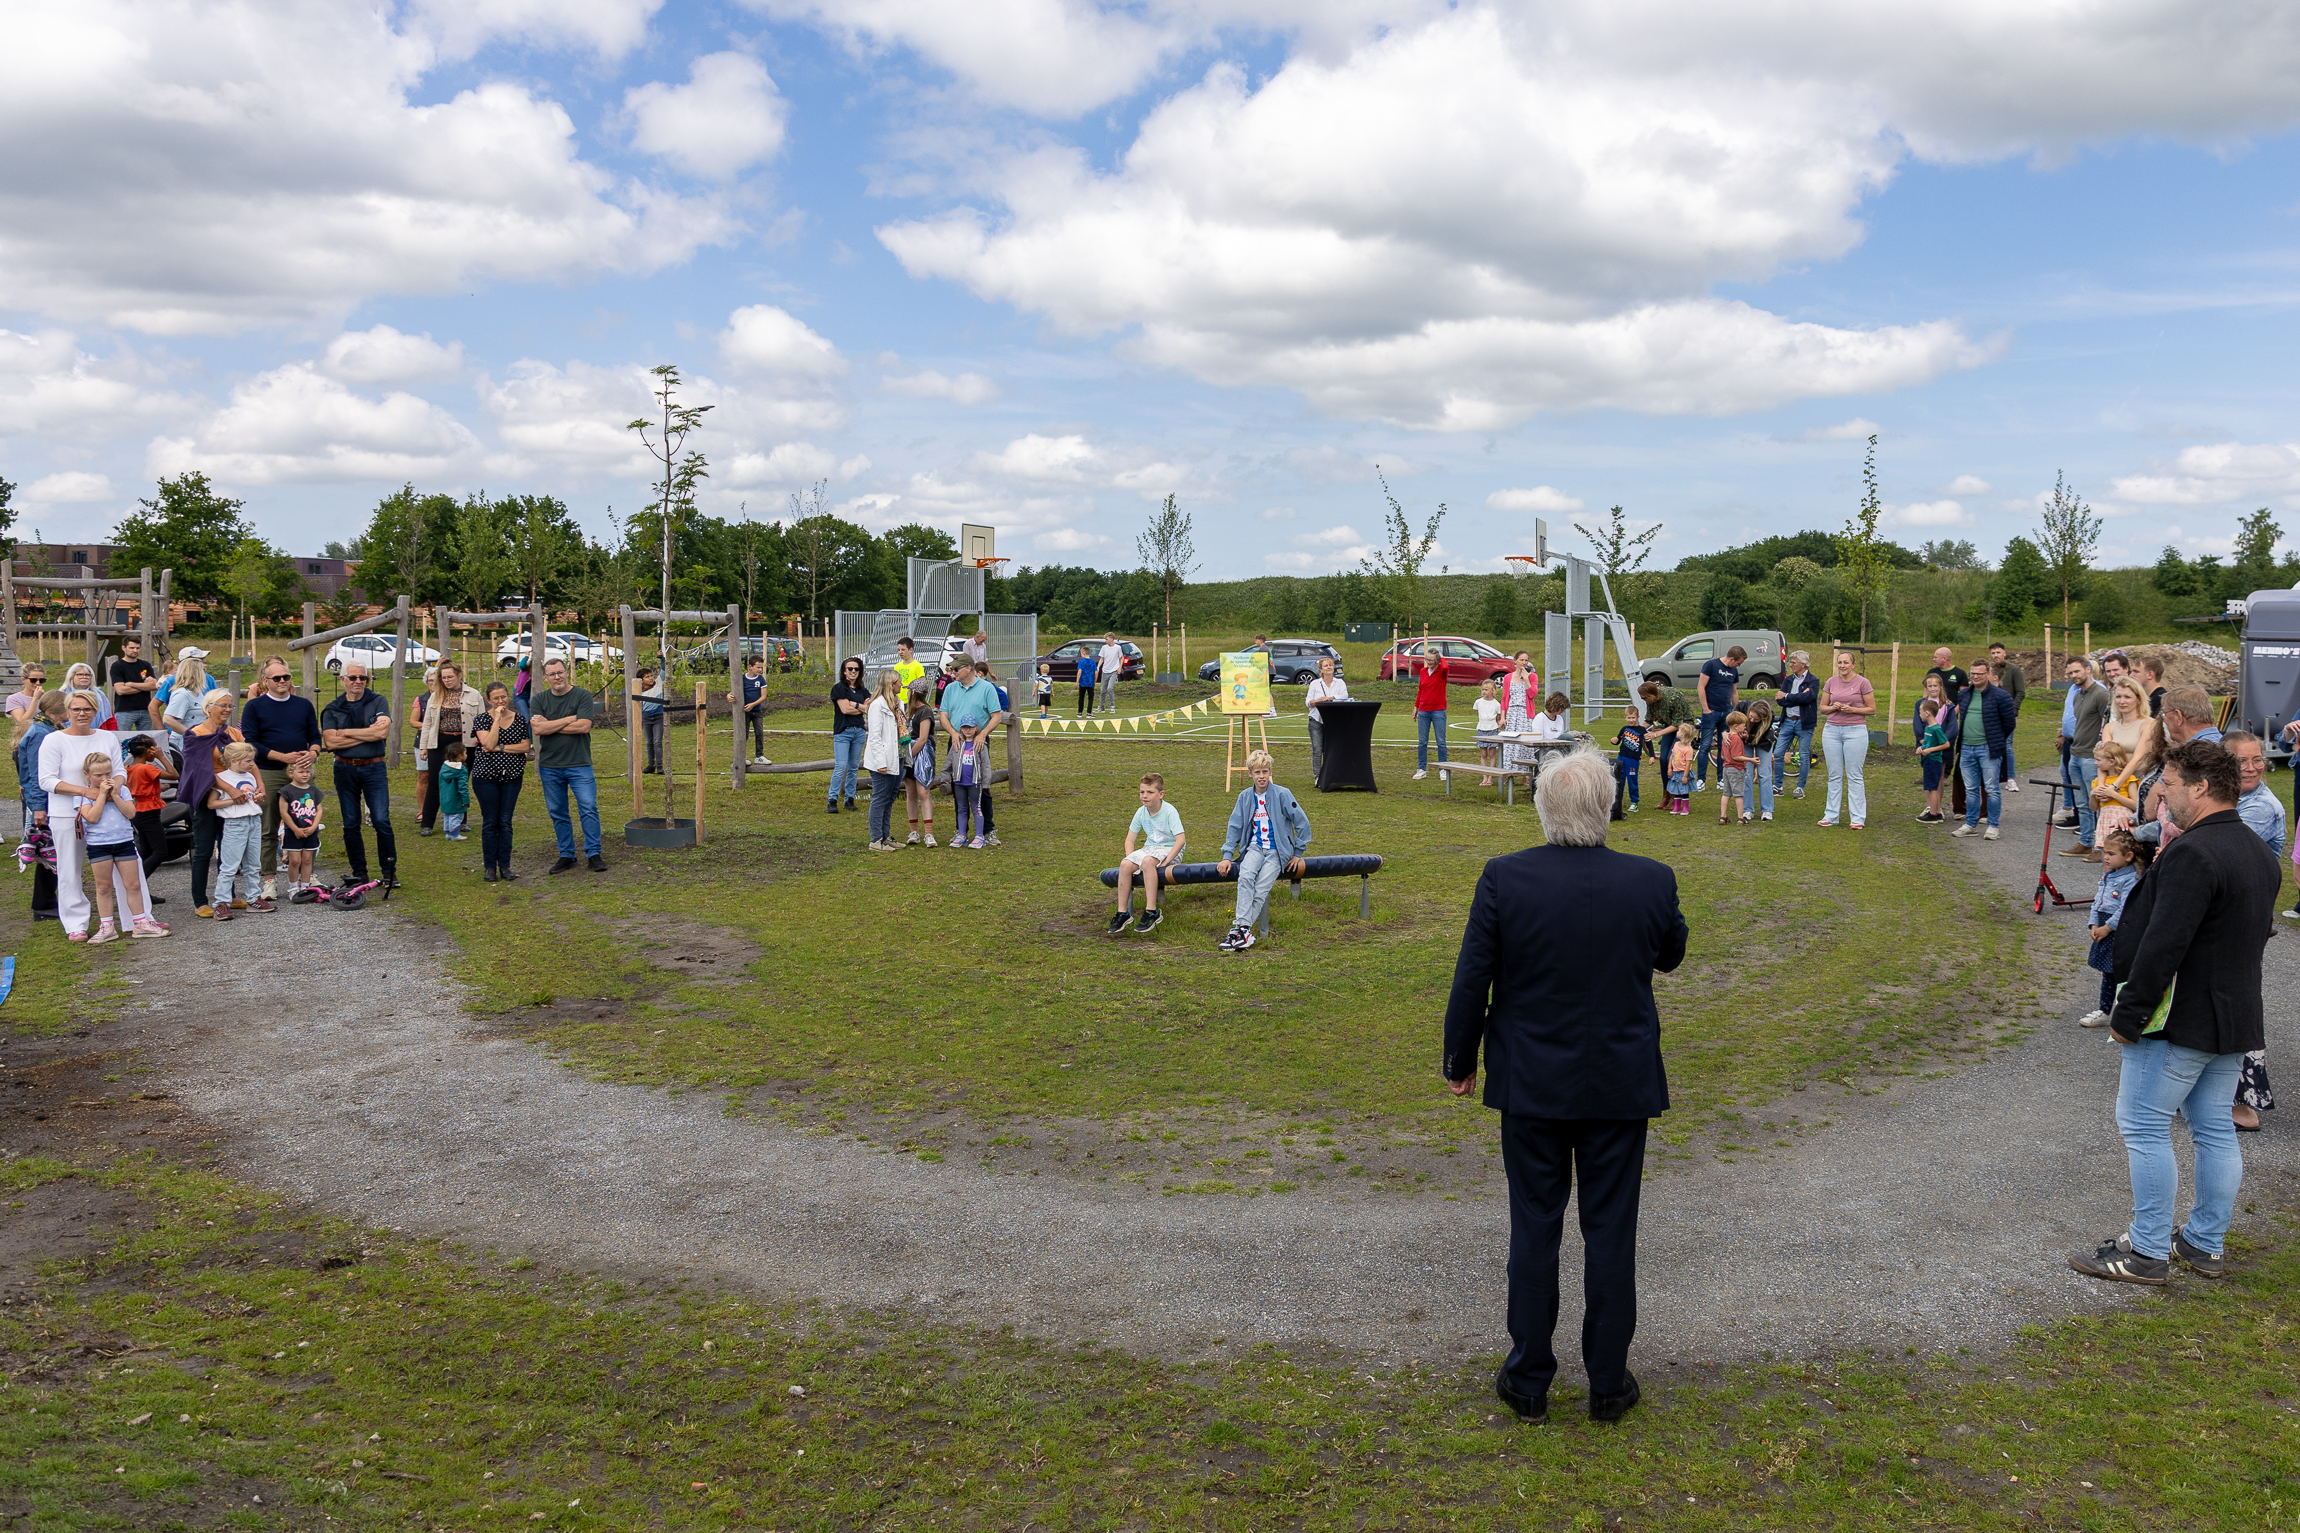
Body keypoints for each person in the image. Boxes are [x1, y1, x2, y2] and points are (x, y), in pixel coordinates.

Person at [1441, 748, 1687, 1424]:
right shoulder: (1650, 880)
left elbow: (1472, 977)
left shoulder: (1506, 878)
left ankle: (1529, 1377)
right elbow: (1671, 950)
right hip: (1616, 1083)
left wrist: (1459, 1058)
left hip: (1533, 1083)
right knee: (1610, 1231)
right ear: (1605, 806)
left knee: (1535, 1228)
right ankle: (1607, 1379)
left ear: (1548, 808)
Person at [2072, 739, 2274, 1286]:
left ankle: (2148, 1250)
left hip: (2179, 1019)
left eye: (2171, 785)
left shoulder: (2192, 852)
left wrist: (2127, 1014)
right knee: (2213, 1129)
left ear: (2201, 787)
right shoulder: (2256, 850)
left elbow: (2164, 945)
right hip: (2234, 1019)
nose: (2163, 796)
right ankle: (2204, 1243)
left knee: (2142, 1125)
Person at [40, 691, 156, 936]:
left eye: (87, 709)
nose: (82, 714)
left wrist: (112, 790)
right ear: (67, 711)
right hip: (66, 813)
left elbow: (119, 771)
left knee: (128, 863)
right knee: (70, 868)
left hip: (110, 811)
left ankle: (138, 918)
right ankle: (76, 924)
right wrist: (86, 792)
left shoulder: (106, 737)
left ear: (95, 711)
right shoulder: (54, 740)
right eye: (76, 709)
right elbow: (47, 780)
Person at [2223, 731, 2280, 1132]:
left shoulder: (2260, 807)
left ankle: (2244, 1101)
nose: (2252, 766)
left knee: (2238, 1002)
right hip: (2222, 915)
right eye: (2241, 760)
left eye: (2257, 758)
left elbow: (2221, 851)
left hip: (2242, 920)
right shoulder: (2230, 798)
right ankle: (2213, 1090)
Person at [1213, 750, 1311, 952]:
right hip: (1255, 848)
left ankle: (1240, 930)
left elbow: (1302, 823)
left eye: (1265, 771)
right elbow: (1235, 827)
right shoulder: (1245, 797)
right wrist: (1227, 856)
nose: (1262, 776)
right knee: (1246, 877)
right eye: (1257, 772)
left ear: (1271, 772)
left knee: (1261, 888)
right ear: (1250, 773)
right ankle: (1243, 930)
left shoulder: (1283, 794)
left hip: (1277, 852)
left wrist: (1297, 853)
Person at [240, 655, 320, 900]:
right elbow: (251, 741)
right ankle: (269, 878)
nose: (283, 681)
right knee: (269, 826)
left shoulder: (303, 704)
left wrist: (313, 753)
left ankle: (307, 874)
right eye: (277, 678)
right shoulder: (254, 706)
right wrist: (282, 757)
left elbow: (314, 735)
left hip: (300, 771)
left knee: (307, 821)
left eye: (286, 677)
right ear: (266, 681)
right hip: (269, 769)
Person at [320, 663, 397, 891]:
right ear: (342, 679)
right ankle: (359, 873)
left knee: (381, 820)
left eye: (363, 677)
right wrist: (367, 734)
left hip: (374, 769)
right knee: (351, 822)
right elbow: (330, 742)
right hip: (344, 769)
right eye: (352, 677)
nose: (358, 681)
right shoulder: (332, 708)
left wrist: (345, 732)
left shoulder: (378, 701)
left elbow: (382, 732)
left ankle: (389, 872)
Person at [75, 753, 165, 941]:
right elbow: (92, 817)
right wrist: (100, 795)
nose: (105, 779)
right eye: (98, 775)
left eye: (108, 773)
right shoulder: (83, 795)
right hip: (99, 845)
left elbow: (131, 813)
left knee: (133, 884)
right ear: (87, 775)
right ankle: (107, 926)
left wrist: (115, 795)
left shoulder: (122, 790)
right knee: (103, 887)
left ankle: (140, 923)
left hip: (124, 842)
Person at [530, 657, 605, 873]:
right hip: (550, 765)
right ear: (546, 678)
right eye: (552, 674)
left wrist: (550, 725)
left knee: (588, 807)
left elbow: (583, 727)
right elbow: (538, 730)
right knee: (558, 811)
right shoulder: (539, 699)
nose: (557, 677)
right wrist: (569, 719)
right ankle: (567, 854)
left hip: (579, 763)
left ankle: (593, 853)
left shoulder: (582, 695)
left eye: (560, 672)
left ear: (566, 672)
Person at [178, 688, 243, 919]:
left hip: (231, 799)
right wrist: (230, 789)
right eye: (222, 705)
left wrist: (254, 787)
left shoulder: (234, 733)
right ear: (208, 708)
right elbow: (201, 770)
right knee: (204, 850)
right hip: (205, 797)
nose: (227, 709)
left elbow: (246, 762)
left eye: (230, 706)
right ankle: (200, 900)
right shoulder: (194, 734)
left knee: (229, 848)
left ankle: (228, 895)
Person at [2078, 828, 2142, 1027]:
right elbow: (2098, 900)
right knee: (2108, 973)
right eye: (2105, 852)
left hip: (2118, 930)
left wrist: (2107, 927)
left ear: (2129, 856)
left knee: (2122, 972)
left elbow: (2125, 908)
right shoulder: (2108, 875)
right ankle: (2105, 1010)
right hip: (2104, 925)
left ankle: (2126, 1013)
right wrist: (2094, 923)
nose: (2106, 857)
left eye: (2111, 854)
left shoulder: (2130, 879)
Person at [1109, 773, 1183, 936]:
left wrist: (1167, 861)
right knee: (1125, 864)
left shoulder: (1169, 811)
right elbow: (1129, 840)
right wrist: (1131, 860)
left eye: (1150, 792)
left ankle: (1151, 911)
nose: (1145, 796)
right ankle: (1123, 913)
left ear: (1160, 794)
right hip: (1151, 849)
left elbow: (1180, 840)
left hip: (1169, 850)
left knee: (1149, 862)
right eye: (1142, 792)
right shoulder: (1141, 812)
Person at [939, 656, 1001, 849]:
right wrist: (953, 733)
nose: (952, 673)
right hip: (957, 741)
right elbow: (943, 715)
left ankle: (987, 830)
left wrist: (982, 735)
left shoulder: (986, 688)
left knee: (982, 785)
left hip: (978, 742)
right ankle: (961, 830)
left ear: (968, 668)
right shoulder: (950, 689)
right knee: (958, 784)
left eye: (956, 669)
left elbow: (996, 716)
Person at [1952, 659, 2017, 841]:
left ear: (1988, 673)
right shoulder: (1964, 695)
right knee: (1971, 788)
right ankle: (1971, 824)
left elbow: (2009, 723)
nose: (1975, 677)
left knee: (1991, 788)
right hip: (1966, 748)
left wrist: (1995, 740)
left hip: (1988, 749)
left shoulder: (2001, 696)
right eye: (1972, 673)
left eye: (1979, 673)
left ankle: (1992, 826)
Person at [472, 680, 530, 882]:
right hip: (485, 777)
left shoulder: (520, 719)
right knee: (490, 822)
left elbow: (525, 747)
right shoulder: (481, 720)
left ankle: (505, 865)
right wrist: (496, 719)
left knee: (505, 821)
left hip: (512, 777)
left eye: (503, 696)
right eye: (495, 698)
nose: (500, 701)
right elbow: (486, 742)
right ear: (488, 700)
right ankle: (490, 867)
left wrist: (500, 748)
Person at [417, 661, 482, 836]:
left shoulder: (474, 695)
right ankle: (427, 823)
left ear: (460, 676)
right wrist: (424, 747)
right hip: (439, 742)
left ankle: (460, 821)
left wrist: (482, 745)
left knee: (460, 780)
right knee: (435, 782)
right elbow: (428, 723)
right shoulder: (435, 696)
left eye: (450, 677)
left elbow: (482, 722)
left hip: (463, 742)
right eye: (443, 678)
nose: (447, 680)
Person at [13, 691, 62, 921]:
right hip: (42, 801)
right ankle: (43, 904)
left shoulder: (46, 728)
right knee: (47, 851)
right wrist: (38, 808)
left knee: (51, 851)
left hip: (44, 799)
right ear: (59, 708)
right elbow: (35, 773)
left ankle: (47, 901)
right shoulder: (40, 733)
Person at [208, 740, 270, 919]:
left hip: (254, 821)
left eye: (252, 760)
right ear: (233, 761)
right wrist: (232, 800)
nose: (252, 764)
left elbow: (252, 796)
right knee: (229, 866)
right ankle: (221, 902)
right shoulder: (223, 779)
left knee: (253, 865)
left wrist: (256, 798)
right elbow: (212, 803)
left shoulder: (249, 776)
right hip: (235, 824)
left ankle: (253, 898)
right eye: (248, 761)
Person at [2055, 657, 2110, 853]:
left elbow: (2110, 724)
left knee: (2097, 802)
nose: (2073, 676)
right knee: (2082, 803)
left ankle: (2100, 846)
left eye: (2077, 671)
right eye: (2070, 673)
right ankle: (2086, 842)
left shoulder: (2101, 694)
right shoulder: (2078, 695)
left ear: (2088, 670)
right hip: (2075, 753)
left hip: (2090, 756)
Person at [1819, 650, 1875, 828]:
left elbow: (1871, 709)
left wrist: (1853, 710)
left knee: (1854, 776)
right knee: (1834, 775)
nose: (1842, 665)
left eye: (1845, 662)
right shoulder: (1831, 682)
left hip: (1855, 731)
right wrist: (1832, 707)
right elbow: (1822, 708)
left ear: (1853, 664)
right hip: (1832, 731)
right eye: (1840, 662)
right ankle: (1831, 816)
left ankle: (1857, 818)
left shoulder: (1863, 683)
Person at [123, 733, 175, 888]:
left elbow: (141, 787)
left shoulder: (129, 768)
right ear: (148, 751)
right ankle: (136, 885)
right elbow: (174, 774)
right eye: (154, 748)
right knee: (160, 852)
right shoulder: (147, 768)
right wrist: (162, 757)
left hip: (138, 810)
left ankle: (142, 892)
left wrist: (159, 787)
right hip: (149, 813)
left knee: (145, 853)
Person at [864, 670, 908, 851]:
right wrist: (881, 762)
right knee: (880, 798)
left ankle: (885, 835)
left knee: (889, 798)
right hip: (882, 760)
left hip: (897, 756)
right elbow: (874, 737)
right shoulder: (877, 706)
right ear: (891, 684)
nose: (901, 684)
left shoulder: (898, 704)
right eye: (899, 682)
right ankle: (876, 839)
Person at [823, 656, 868, 813]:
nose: (853, 671)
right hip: (843, 731)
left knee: (854, 766)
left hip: (859, 731)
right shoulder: (839, 688)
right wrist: (860, 707)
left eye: (856, 669)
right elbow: (844, 709)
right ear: (844, 671)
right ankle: (832, 799)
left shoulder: (863, 690)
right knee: (841, 765)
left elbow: (868, 708)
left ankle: (850, 798)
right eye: (850, 669)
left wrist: (854, 704)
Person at [1694, 644, 1743, 791]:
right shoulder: (1711, 665)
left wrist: (1737, 711)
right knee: (1705, 746)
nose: (1739, 665)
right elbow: (1700, 686)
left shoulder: (1734, 670)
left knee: (1725, 746)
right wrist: (1706, 709)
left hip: (1726, 713)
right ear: (1732, 658)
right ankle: (1701, 780)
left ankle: (1721, 779)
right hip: (1711, 712)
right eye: (1738, 662)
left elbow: (1733, 692)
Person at [1771, 651, 1817, 800]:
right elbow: (1780, 700)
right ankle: (1778, 786)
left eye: (1793, 663)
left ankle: (1800, 787)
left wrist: (1788, 696)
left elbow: (1809, 697)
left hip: (1804, 723)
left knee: (1804, 756)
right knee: (1778, 754)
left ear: (1802, 664)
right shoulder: (1788, 680)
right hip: (1788, 721)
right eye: (1790, 662)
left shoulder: (1813, 681)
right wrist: (1796, 697)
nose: (1790, 665)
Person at [277, 756, 326, 891]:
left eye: (307, 771)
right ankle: (293, 887)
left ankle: (305, 886)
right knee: (294, 860)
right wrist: (294, 829)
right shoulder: (286, 791)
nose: (305, 774)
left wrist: (314, 826)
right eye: (301, 771)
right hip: (293, 831)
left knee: (307, 860)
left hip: (310, 830)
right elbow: (284, 812)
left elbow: (319, 810)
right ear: (291, 773)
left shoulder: (314, 791)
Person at [1985, 642, 2026, 790]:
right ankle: (1993, 776)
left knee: (2007, 745)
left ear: (2005, 653)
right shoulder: (1988, 670)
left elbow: (2020, 692)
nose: (1995, 655)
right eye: (1993, 653)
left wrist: (2012, 711)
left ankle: (2010, 778)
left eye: (1998, 652)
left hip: (2007, 713)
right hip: (1990, 714)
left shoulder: (2014, 670)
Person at [903, 680, 939, 846]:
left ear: (914, 692)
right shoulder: (908, 711)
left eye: (909, 690)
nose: (907, 692)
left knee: (923, 792)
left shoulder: (925, 711)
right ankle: (914, 831)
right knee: (910, 792)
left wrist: (910, 754)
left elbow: (923, 738)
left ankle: (929, 833)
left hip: (921, 754)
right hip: (909, 752)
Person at [1306, 656, 1350, 784]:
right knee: (1317, 750)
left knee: (1330, 750)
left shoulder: (1340, 683)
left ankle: (1330, 774)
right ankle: (1317, 776)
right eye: (1326, 666)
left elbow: (1344, 696)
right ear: (1321, 669)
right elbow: (1308, 701)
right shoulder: (1315, 684)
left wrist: (1331, 697)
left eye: (1330, 665)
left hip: (1333, 721)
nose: (1329, 667)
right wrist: (1318, 700)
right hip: (1316, 720)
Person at [1410, 641, 1449, 781]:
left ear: (1437, 660)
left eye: (1431, 660)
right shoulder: (1423, 671)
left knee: (1441, 742)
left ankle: (1443, 769)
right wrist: (1416, 707)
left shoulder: (1442, 672)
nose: (1428, 662)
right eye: (1426, 659)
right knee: (1422, 742)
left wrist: (1442, 657)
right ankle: (1421, 769)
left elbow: (1445, 666)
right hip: (1424, 711)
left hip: (1438, 710)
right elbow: (1421, 689)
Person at [2088, 740, 2139, 843]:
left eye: (2098, 760)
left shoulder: (2129, 779)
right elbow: (2093, 808)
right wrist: (2092, 795)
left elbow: (2136, 805)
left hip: (2122, 821)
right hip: (2104, 819)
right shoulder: (2098, 782)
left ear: (2112, 761)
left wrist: (2114, 794)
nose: (2095, 763)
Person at [1500, 652, 1541, 780]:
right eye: (1521, 660)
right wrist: (1503, 717)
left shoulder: (1532, 676)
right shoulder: (1508, 677)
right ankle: (1508, 773)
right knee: (1510, 744)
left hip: (1525, 713)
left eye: (1526, 660)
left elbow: (1532, 694)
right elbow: (1505, 697)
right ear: (1515, 661)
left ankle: (1526, 774)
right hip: (1512, 712)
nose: (1524, 662)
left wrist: (1527, 679)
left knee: (1524, 744)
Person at [160, 652, 211, 752]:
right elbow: (167, 719)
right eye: (202, 670)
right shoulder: (183, 694)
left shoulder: (197, 692)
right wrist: (190, 734)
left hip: (199, 742)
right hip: (184, 744)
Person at [109, 637, 158, 731]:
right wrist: (144, 687)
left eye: (137, 648)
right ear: (123, 648)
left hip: (145, 709)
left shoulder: (145, 665)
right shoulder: (117, 666)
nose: (135, 650)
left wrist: (131, 684)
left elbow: (154, 686)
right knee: (121, 739)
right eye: (132, 648)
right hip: (125, 710)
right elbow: (120, 690)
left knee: (146, 740)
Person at [1915, 699, 1951, 823]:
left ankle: (1934, 814)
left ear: (1927, 713)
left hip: (1934, 761)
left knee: (1933, 788)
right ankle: (1934, 812)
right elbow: (1927, 743)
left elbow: (1946, 744)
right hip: (1927, 761)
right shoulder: (1928, 728)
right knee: (1929, 787)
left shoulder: (1936, 729)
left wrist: (1930, 750)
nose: (1919, 714)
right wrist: (1921, 748)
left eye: (1921, 712)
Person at [734, 652, 771, 768]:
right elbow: (733, 692)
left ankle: (759, 756)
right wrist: (729, 696)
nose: (760, 670)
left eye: (761, 667)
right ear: (750, 666)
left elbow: (763, 696)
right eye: (758, 667)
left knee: (759, 733)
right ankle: (742, 757)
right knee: (743, 734)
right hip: (744, 713)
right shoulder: (741, 679)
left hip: (757, 712)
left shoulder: (761, 680)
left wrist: (752, 704)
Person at [1611, 713, 1652, 815]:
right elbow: (1618, 740)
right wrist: (1614, 741)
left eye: (1633, 717)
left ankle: (1634, 802)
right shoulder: (1624, 729)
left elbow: (1648, 743)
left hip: (1633, 760)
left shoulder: (1642, 730)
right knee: (1618, 780)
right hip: (1621, 758)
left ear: (1638, 717)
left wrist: (1652, 756)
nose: (1631, 720)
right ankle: (1617, 801)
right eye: (1629, 718)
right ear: (1625, 718)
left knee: (1632, 780)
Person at [1717, 708, 1750, 825]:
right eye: (1743, 725)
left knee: (1726, 793)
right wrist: (1751, 760)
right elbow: (1736, 756)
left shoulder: (1726, 738)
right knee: (1739, 795)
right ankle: (1741, 817)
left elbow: (1722, 756)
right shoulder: (1736, 739)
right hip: (1736, 769)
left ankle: (1723, 816)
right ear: (1736, 726)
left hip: (1726, 768)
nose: (1745, 727)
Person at [61, 662, 115, 729]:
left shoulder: (100, 696)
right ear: (71, 676)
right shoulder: (61, 695)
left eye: (87, 675)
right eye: (80, 674)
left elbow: (110, 719)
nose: (84, 677)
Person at [435, 742, 470, 843]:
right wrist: (465, 800)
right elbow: (463, 786)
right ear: (460, 755)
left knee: (447, 815)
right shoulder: (461, 770)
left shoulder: (444, 767)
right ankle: (455, 834)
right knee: (456, 816)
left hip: (444, 797)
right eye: (465, 753)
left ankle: (448, 833)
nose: (466, 755)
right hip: (455, 798)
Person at [635, 664, 665, 774]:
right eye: (647, 677)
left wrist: (661, 658)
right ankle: (651, 765)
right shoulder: (639, 691)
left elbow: (664, 669)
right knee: (649, 742)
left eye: (651, 675)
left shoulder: (658, 685)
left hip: (658, 717)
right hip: (646, 719)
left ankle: (659, 765)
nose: (651, 678)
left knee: (657, 741)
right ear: (641, 680)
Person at [1473, 680, 1503, 788]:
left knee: (1492, 754)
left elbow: (1498, 717)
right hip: (1482, 728)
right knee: (1483, 754)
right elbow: (1478, 713)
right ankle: (1484, 776)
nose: (1484, 692)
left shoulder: (1496, 704)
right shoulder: (1478, 702)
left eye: (1486, 690)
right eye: (1483, 689)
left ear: (1492, 691)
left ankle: (1491, 776)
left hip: (1492, 729)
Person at [1664, 722, 1696, 815]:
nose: (1676, 732)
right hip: (1675, 772)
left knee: (1684, 791)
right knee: (1676, 790)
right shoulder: (1676, 744)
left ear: (1682, 735)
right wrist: (1669, 768)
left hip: (1683, 772)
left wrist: (1685, 776)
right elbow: (1672, 756)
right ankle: (1677, 807)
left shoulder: (1688, 749)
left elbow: (1688, 763)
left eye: (1678, 730)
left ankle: (1685, 807)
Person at [892, 637, 926, 705]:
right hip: (898, 701)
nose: (900, 652)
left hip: (911, 701)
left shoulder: (917, 666)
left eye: (903, 650)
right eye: (898, 650)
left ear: (910, 649)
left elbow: (922, 684)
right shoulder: (897, 666)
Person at [1097, 632, 1124, 714]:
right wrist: (1098, 667)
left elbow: (1121, 658)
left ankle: (1112, 706)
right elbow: (1102, 658)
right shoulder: (1104, 648)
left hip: (1114, 671)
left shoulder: (1118, 648)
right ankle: (1101, 707)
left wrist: (1119, 667)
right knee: (1103, 690)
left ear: (1111, 639)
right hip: (1105, 670)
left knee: (1110, 688)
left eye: (1107, 639)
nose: (1105, 641)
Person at [1074, 645, 1099, 718]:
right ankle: (1089, 712)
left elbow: (1079, 671)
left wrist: (1077, 681)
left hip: (1082, 682)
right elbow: (1096, 672)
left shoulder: (1081, 662)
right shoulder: (1093, 662)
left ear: (1084, 653)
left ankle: (1079, 712)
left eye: (1081, 653)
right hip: (1090, 682)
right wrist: (1095, 681)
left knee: (1081, 697)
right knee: (1090, 697)